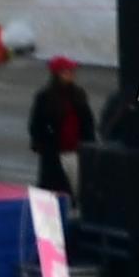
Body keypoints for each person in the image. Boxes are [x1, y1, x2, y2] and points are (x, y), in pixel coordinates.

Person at [25, 56, 92, 197]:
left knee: (77, 189)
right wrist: (42, 146)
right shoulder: (45, 97)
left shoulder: (78, 95)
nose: (71, 74)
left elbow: (87, 122)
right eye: (66, 72)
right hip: (54, 152)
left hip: (75, 151)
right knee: (54, 190)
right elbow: (36, 124)